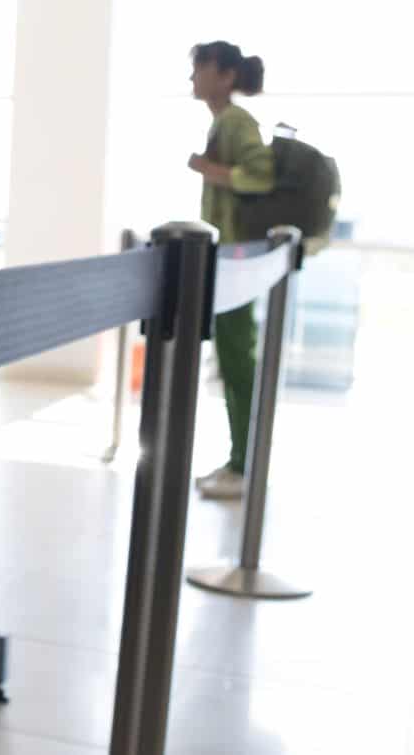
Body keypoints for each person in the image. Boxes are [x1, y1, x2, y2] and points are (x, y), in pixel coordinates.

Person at [185, 41, 274, 501]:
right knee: (233, 359)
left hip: (237, 261)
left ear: (223, 74)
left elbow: (261, 176)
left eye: (199, 69)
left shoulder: (237, 122)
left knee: (239, 362)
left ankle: (246, 463)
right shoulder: (224, 121)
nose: (192, 78)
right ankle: (239, 458)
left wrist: (208, 169)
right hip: (228, 259)